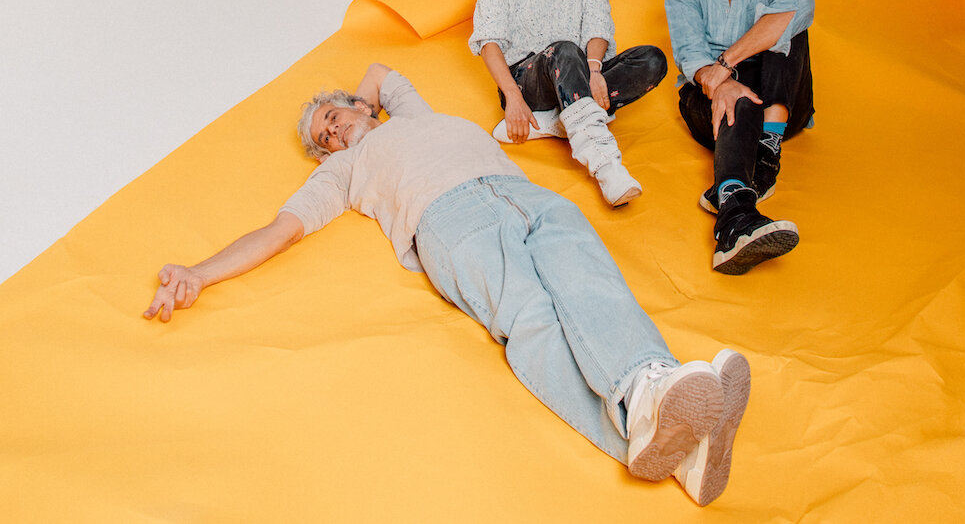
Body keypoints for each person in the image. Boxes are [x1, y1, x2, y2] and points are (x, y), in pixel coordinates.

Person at [143, 63, 749, 506]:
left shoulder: (411, 113)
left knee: (590, 281)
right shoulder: (343, 170)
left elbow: (379, 72)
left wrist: (361, 104)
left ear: (359, 107)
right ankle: (646, 417)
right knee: (533, 318)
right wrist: (198, 273)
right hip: (451, 222)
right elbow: (278, 231)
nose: (327, 135)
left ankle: (667, 416)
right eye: (318, 139)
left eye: (330, 118)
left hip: (523, 193)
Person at [469, 0, 668, 207]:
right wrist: (513, 98)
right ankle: (607, 168)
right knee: (564, 48)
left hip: (577, 71)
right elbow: (488, 40)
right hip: (527, 81)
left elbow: (597, 26)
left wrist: (595, 70)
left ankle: (558, 121)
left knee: (652, 59)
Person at [664, 0, 815, 275]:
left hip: (780, 99)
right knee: (741, 102)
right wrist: (721, 83)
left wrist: (727, 63)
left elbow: (801, 4)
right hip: (707, 98)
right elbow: (690, 53)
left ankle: (769, 144)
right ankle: (736, 217)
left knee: (787, 25)